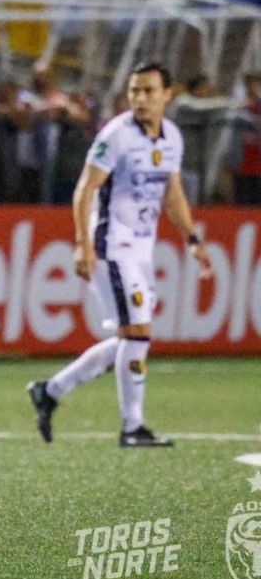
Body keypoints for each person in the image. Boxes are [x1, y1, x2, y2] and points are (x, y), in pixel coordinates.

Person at [26, 62, 212, 448]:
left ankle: (51, 390)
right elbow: (85, 188)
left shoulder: (171, 137)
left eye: (148, 90)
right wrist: (82, 243)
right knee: (138, 332)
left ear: (166, 95)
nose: (139, 98)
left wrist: (192, 239)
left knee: (131, 337)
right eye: (134, 91)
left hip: (142, 249)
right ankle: (132, 428)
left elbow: (172, 193)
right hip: (111, 247)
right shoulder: (117, 135)